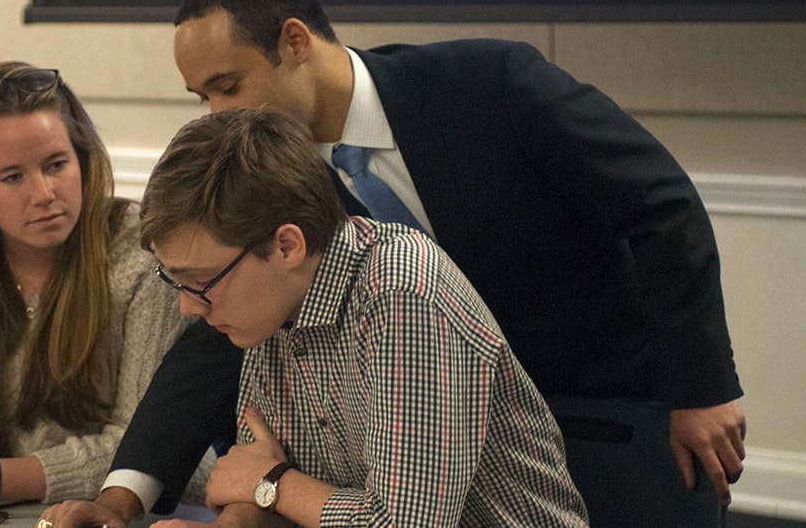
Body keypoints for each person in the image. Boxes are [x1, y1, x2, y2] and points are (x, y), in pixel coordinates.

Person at [44, 0, 746, 525]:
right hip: (421, 456)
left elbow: (659, 203)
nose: (220, 115)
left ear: (294, 42)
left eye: (229, 86)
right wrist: (123, 494)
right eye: (203, 98)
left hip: (601, 405)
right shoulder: (264, 182)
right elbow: (215, 326)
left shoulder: (488, 85)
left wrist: (703, 385)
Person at [151, 107, 589, 526]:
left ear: (287, 246)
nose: (190, 305)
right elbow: (259, 478)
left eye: (203, 280)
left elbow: (403, 524)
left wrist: (275, 483)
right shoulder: (269, 310)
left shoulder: (402, 295)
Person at [0, 61, 206, 508]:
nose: (44, 193)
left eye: (56, 164)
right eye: (12, 177)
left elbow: (146, 446)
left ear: (82, 158)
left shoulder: (141, 250)